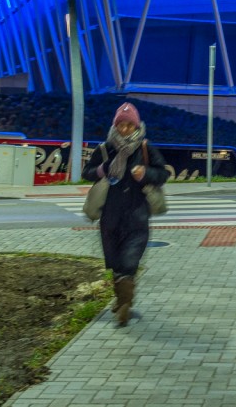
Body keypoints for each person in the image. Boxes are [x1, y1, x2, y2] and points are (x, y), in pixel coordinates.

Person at [81, 102, 169, 325]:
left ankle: (125, 305)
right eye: (121, 125)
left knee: (130, 260)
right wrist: (102, 169)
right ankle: (122, 299)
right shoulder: (105, 149)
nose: (124, 129)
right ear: (115, 125)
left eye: (129, 125)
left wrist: (145, 173)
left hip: (137, 215)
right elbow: (87, 173)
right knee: (115, 261)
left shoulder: (145, 148)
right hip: (110, 217)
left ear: (136, 126)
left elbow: (162, 174)